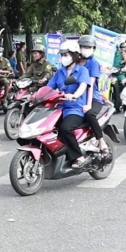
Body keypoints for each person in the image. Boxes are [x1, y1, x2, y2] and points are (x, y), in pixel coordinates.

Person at [46, 40, 91, 169]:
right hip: (59, 108)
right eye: (62, 55)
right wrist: (36, 95)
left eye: (66, 55)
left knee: (65, 128)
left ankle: (79, 157)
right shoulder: (59, 72)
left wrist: (74, 95)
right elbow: (49, 87)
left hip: (75, 108)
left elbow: (83, 87)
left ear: (74, 55)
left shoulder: (83, 71)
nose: (63, 58)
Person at [78, 35, 110, 156]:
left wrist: (88, 104)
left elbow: (89, 85)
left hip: (93, 97)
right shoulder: (75, 62)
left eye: (89, 47)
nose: (86, 49)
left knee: (90, 114)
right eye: (84, 47)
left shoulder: (93, 63)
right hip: (77, 96)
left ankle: (101, 141)